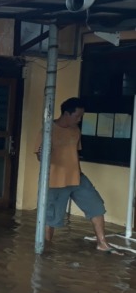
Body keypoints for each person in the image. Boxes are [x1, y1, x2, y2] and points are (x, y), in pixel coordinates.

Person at [35, 97, 118, 254]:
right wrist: (42, 154)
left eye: (81, 116)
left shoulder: (75, 131)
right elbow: (39, 157)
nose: (80, 119)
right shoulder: (47, 130)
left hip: (76, 177)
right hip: (54, 180)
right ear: (67, 113)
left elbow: (74, 154)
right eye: (77, 116)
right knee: (50, 218)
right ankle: (44, 250)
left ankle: (102, 243)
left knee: (96, 206)